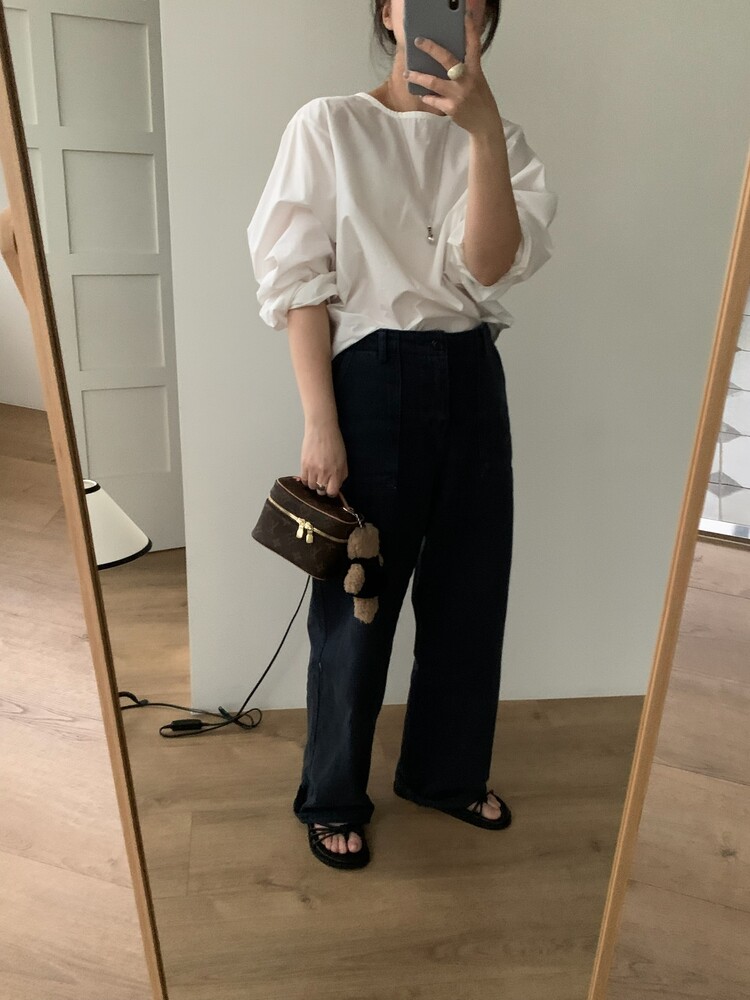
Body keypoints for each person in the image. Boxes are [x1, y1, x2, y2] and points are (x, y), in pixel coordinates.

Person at [246, 0, 558, 870]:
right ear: (387, 10)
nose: (449, 11)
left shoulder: (501, 140)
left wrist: (483, 133)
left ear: (484, 22)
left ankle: (444, 775)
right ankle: (333, 794)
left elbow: (488, 266)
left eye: (469, 3)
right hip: (370, 377)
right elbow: (300, 284)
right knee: (359, 600)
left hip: (471, 373)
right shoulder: (329, 126)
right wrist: (320, 421)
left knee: (470, 594)